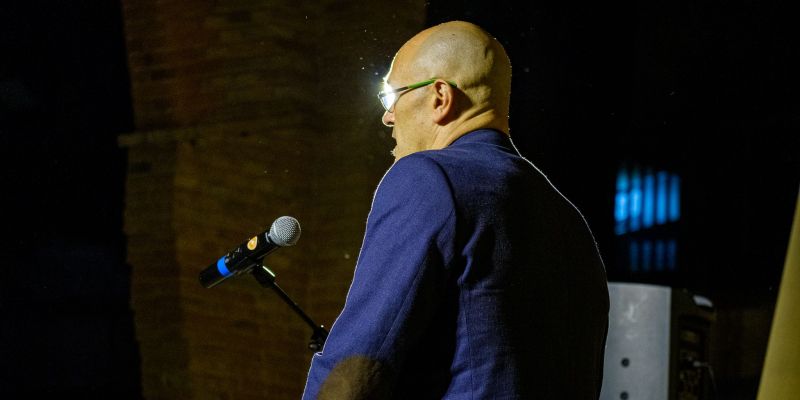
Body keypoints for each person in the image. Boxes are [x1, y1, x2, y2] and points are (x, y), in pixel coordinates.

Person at [302, 21, 609, 399]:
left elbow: (357, 368)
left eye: (393, 95)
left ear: (440, 97)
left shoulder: (427, 179)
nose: (388, 116)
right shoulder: (571, 224)